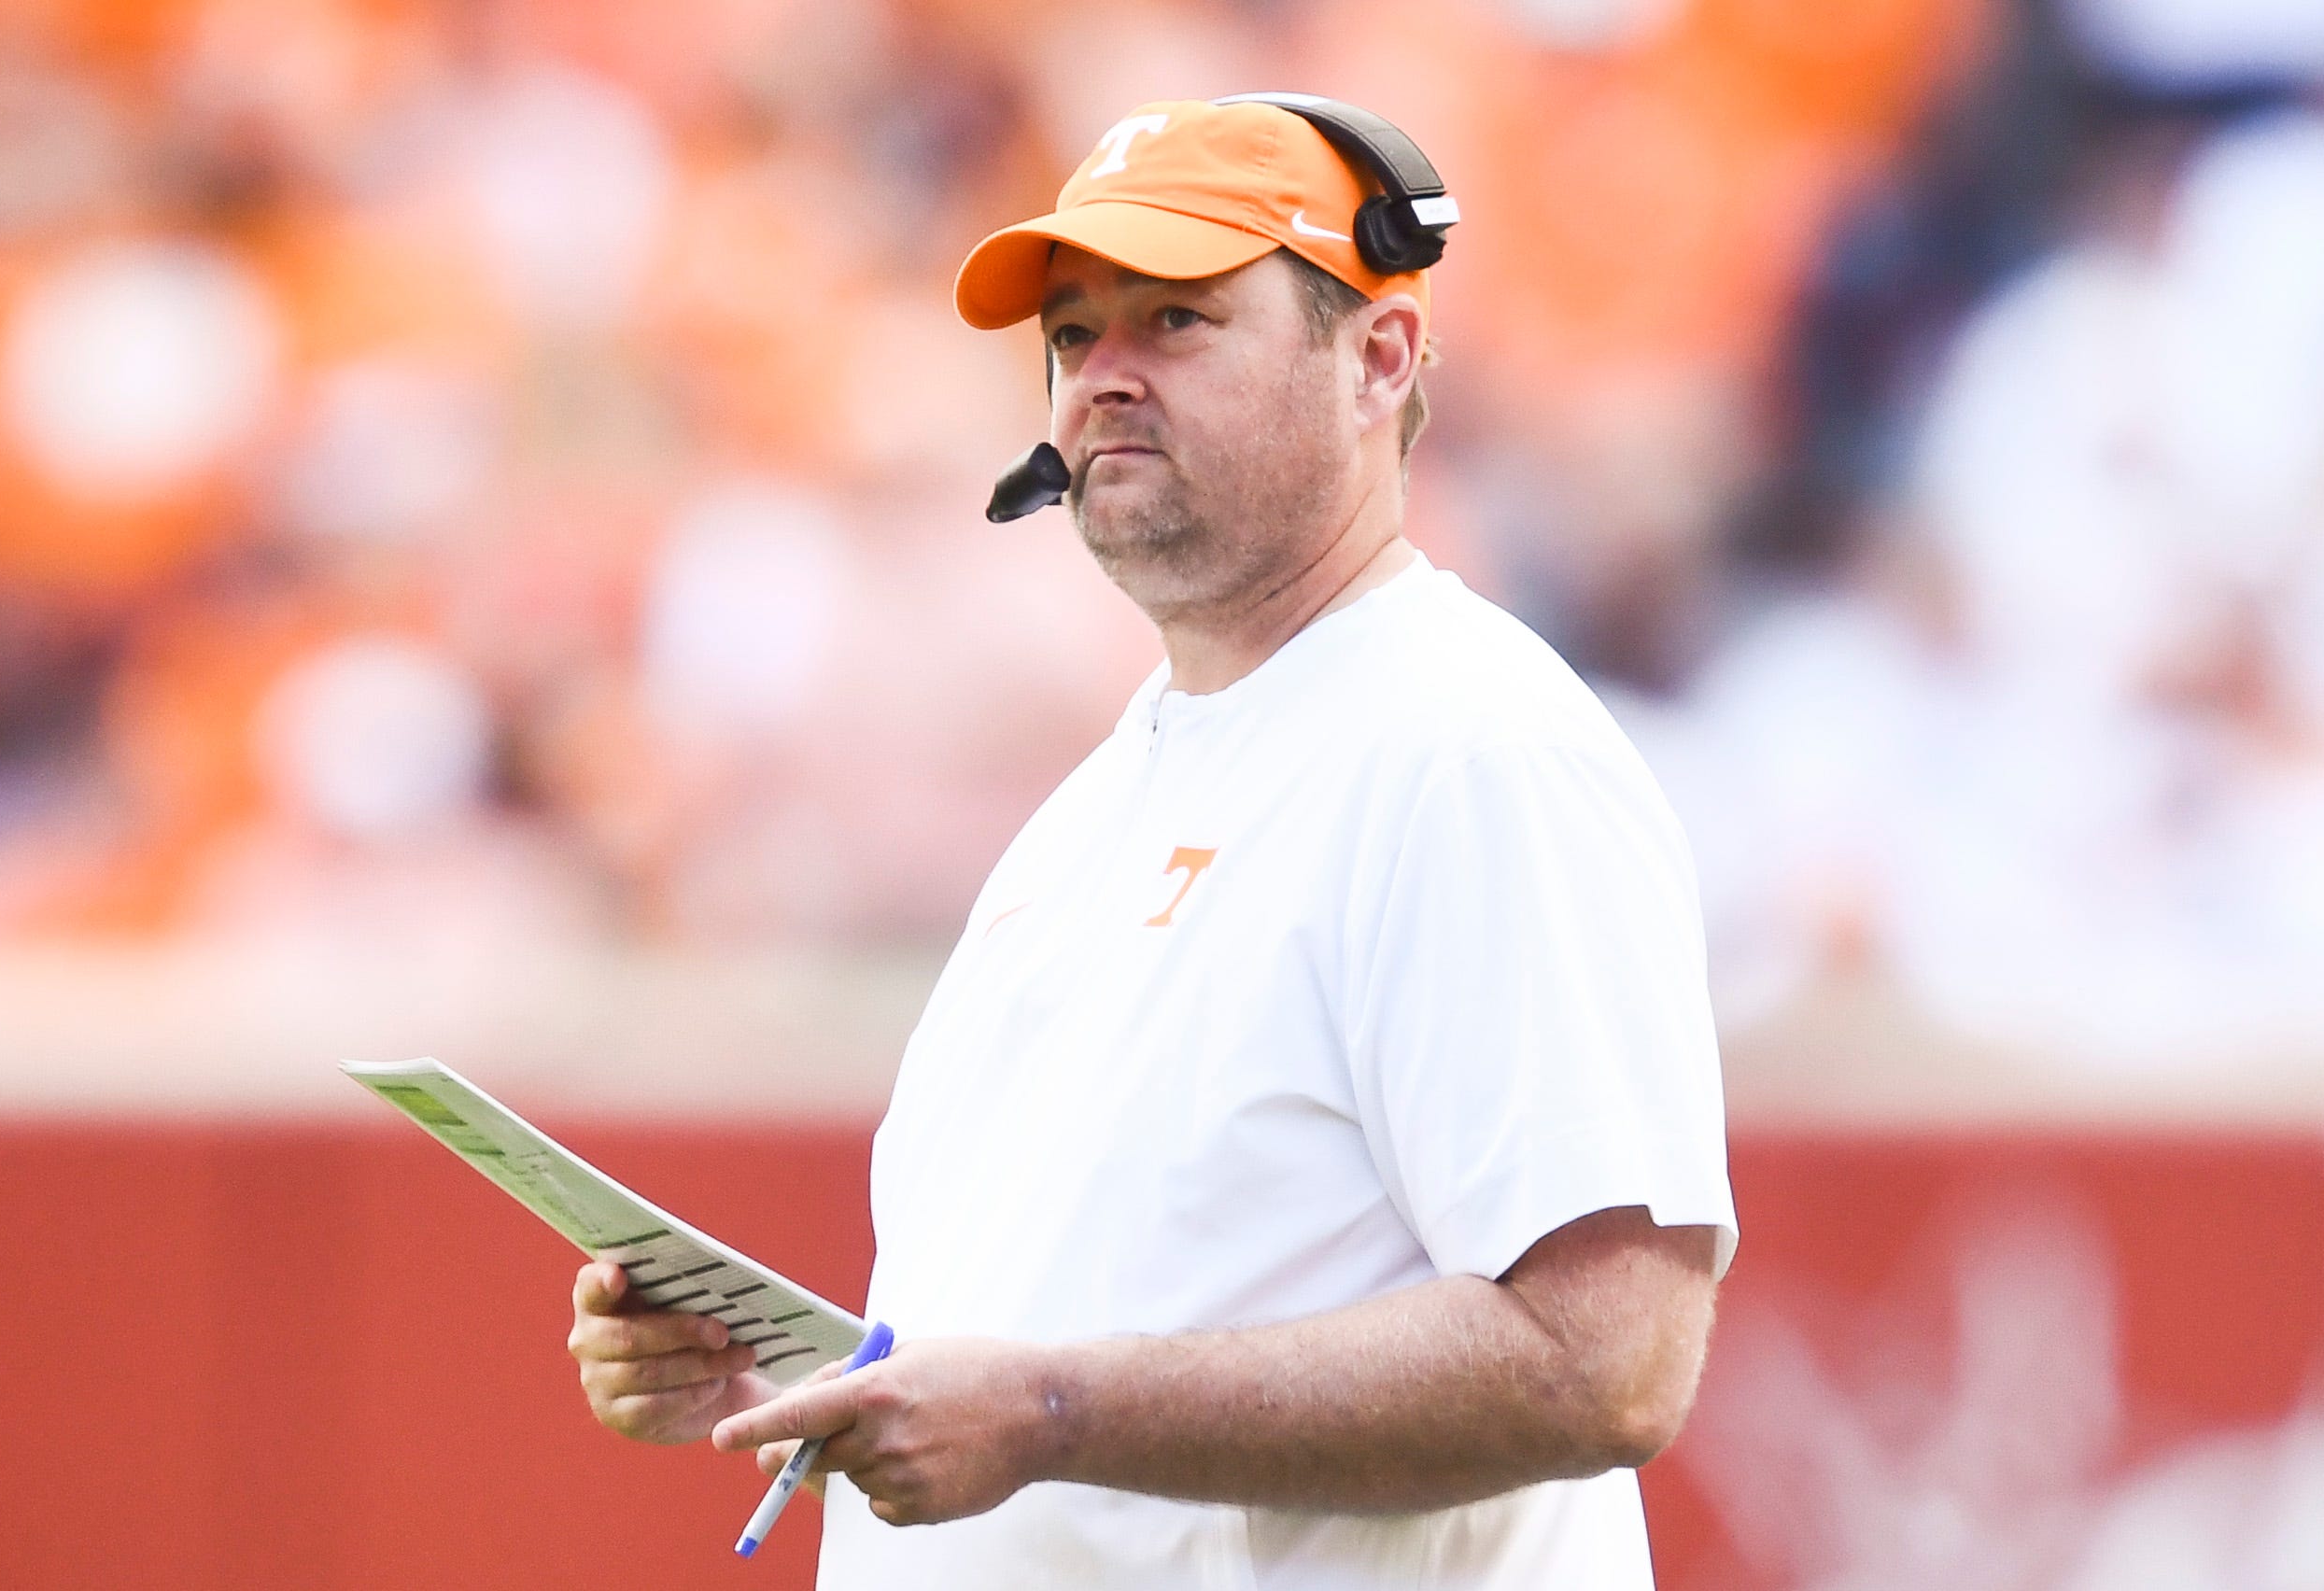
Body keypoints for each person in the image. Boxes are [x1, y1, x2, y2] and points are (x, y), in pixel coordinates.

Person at [565, 95, 1737, 1590]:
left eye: (1176, 321)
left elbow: (1605, 1361)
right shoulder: (1115, 789)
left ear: (1378, 358)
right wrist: (794, 1386)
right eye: (1072, 337)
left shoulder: (1472, 751)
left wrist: (1050, 1414)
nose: (1102, 379)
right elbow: (1092, 1312)